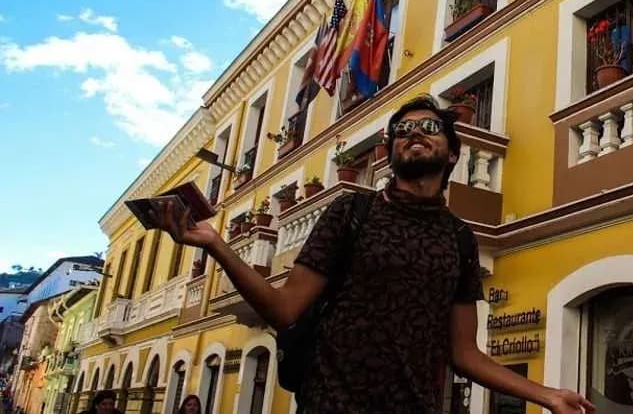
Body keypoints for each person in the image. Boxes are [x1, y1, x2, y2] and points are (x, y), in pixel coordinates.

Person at [158, 96, 595, 413]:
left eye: (429, 127)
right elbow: (284, 308)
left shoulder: (460, 239)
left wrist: (547, 395)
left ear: (454, 153)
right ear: (391, 153)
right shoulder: (352, 212)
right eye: (402, 131)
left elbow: (464, 354)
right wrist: (217, 244)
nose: (414, 134)